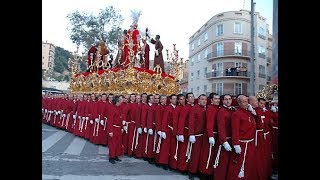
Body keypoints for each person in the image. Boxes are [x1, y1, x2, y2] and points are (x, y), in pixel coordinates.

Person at [227, 95, 257, 180]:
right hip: (242, 144)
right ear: (239, 103)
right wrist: (236, 144)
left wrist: (253, 112)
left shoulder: (248, 112)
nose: (246, 103)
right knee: (239, 165)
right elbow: (235, 130)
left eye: (247, 101)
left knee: (248, 164)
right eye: (244, 102)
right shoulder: (236, 114)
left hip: (250, 143)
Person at [107, 95, 124, 164]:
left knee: (118, 143)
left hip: (119, 128)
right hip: (113, 128)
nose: (121, 101)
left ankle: (116, 155)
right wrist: (110, 131)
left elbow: (120, 118)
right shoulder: (112, 108)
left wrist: (122, 127)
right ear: (117, 101)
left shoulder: (119, 108)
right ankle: (111, 157)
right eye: (120, 100)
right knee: (112, 144)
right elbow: (110, 120)